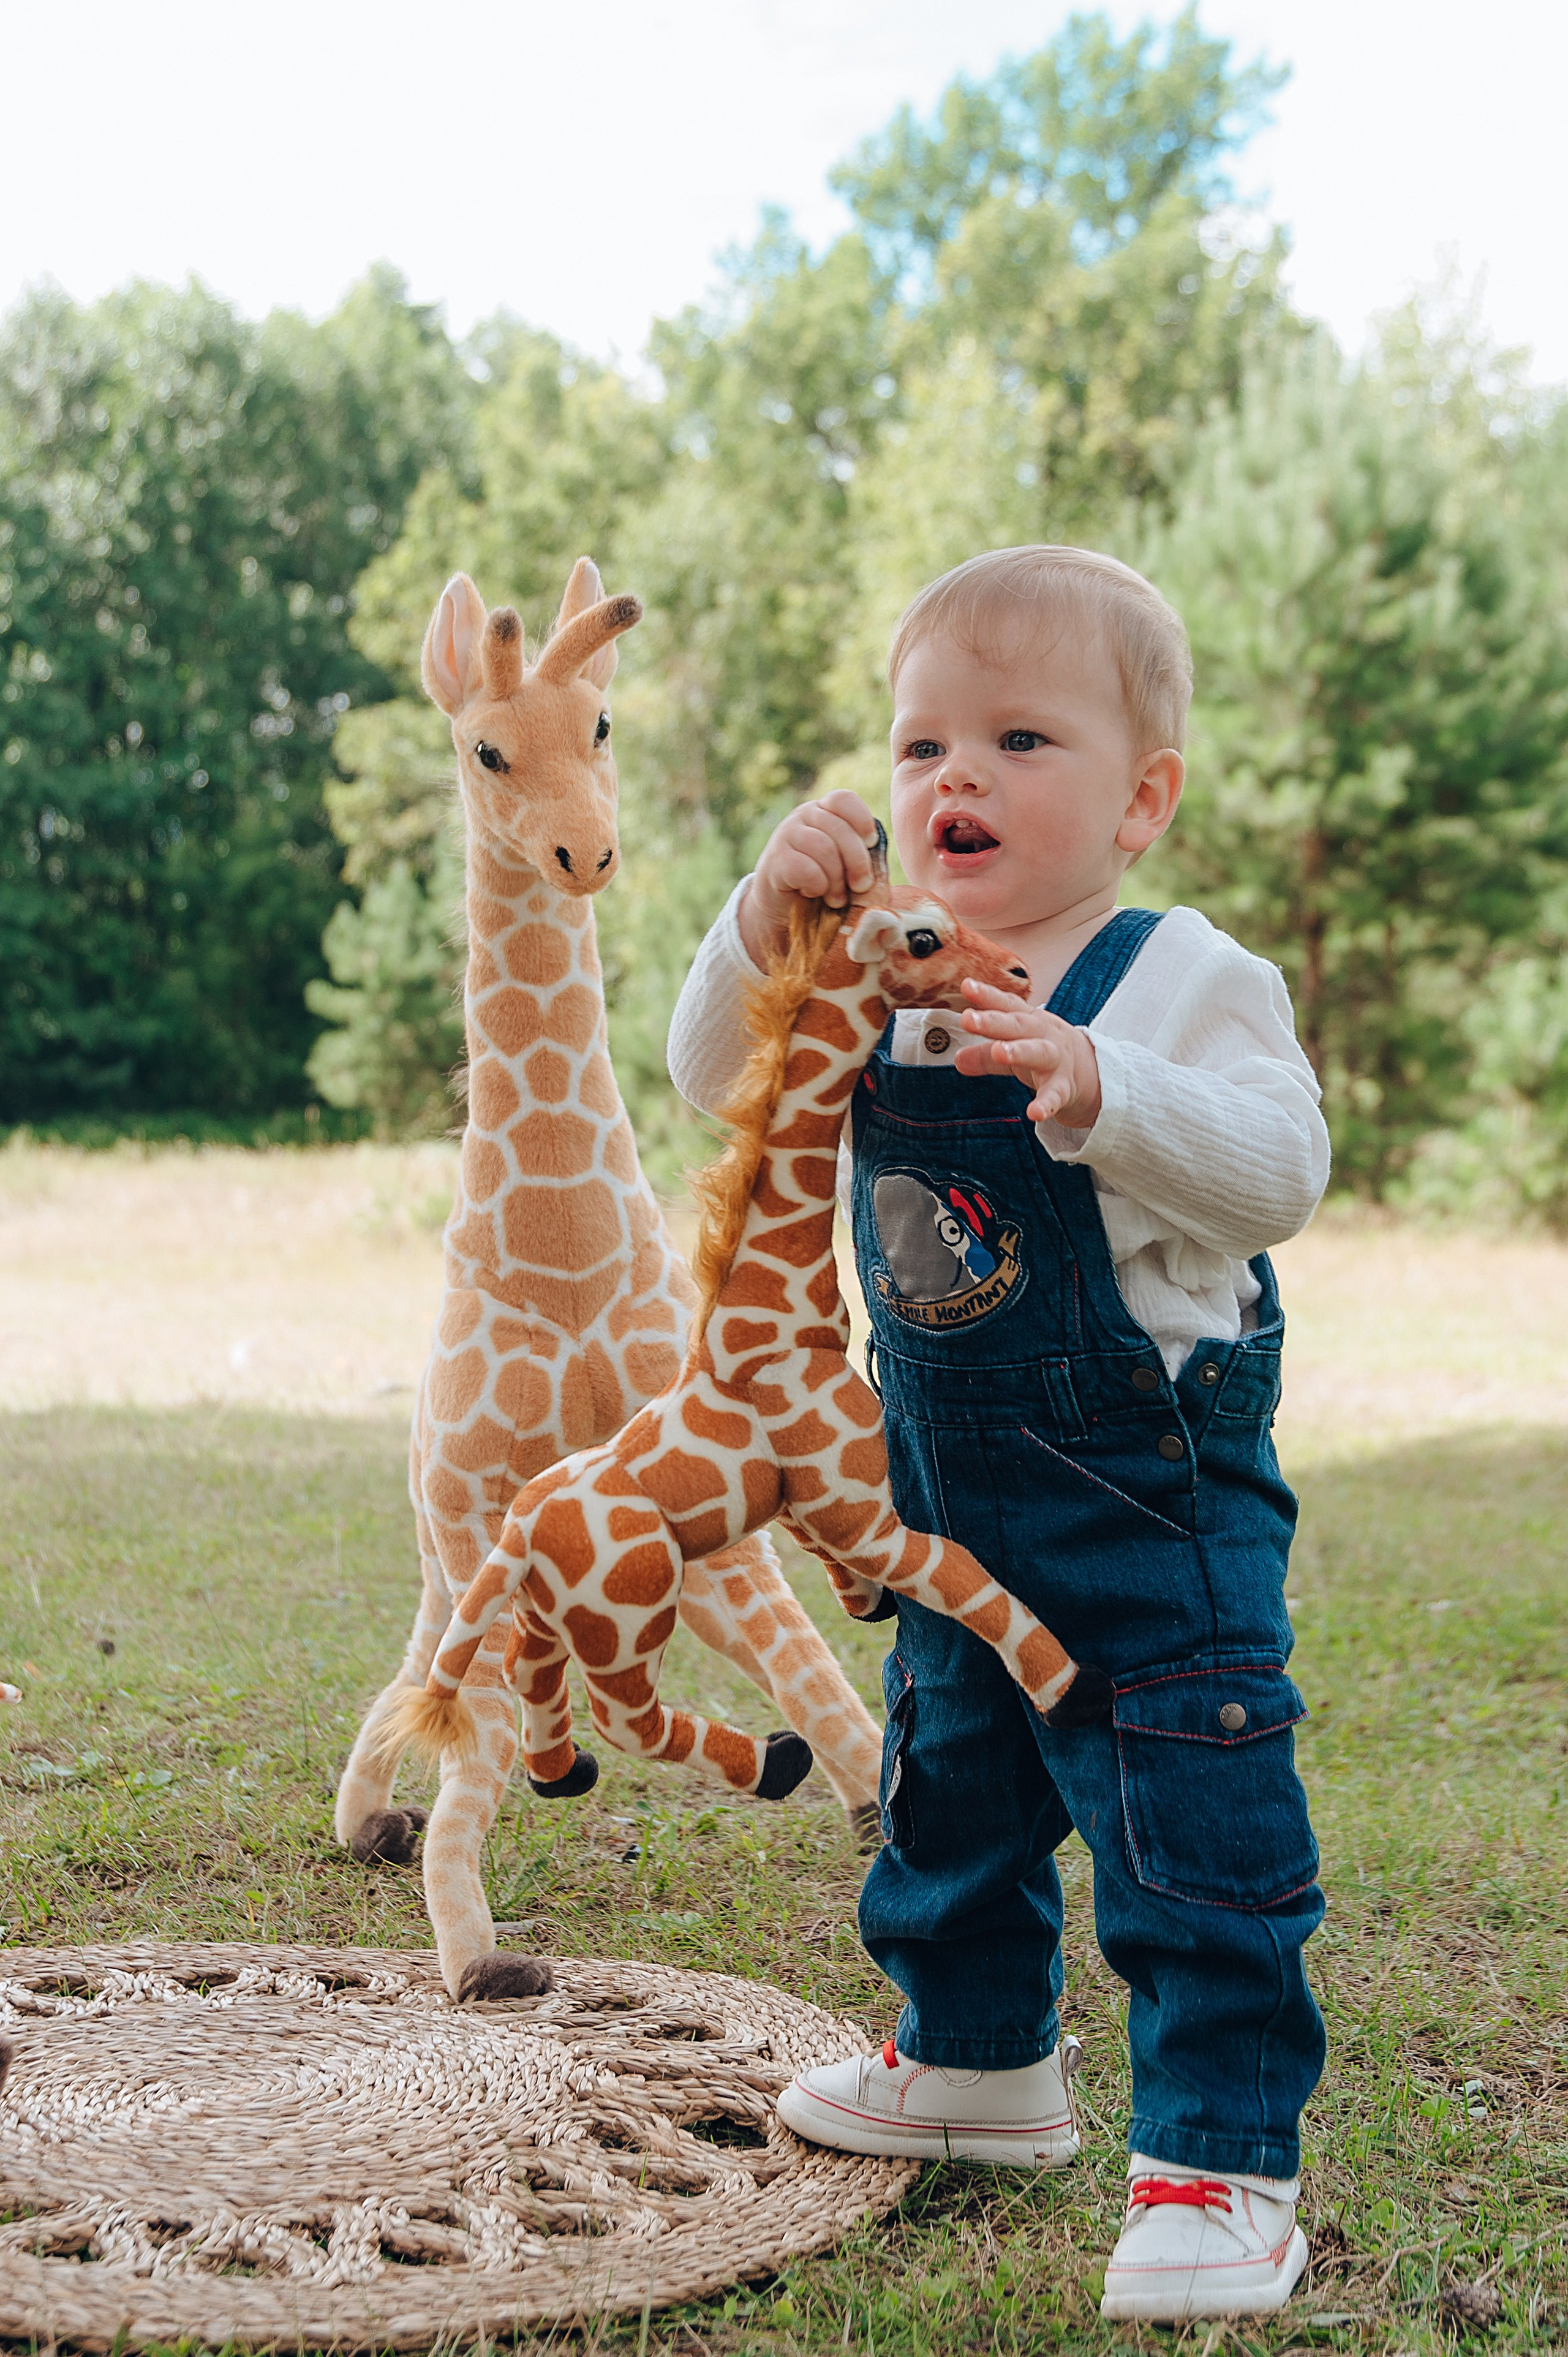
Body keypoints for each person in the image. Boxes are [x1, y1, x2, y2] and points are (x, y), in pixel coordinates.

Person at [666, 545, 1330, 2325]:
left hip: (1148, 1497)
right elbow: (713, 1075)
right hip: (951, 1486)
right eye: (920, 744)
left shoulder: (1179, 974)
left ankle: (1221, 2157)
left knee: (1182, 1796)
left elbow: (1285, 1169)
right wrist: (758, 922)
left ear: (1142, 798)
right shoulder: (875, 963)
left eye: (1021, 738)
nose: (953, 779)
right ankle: (974, 2063)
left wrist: (1109, 1088)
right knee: (951, 1781)